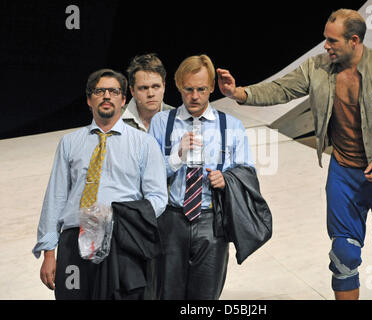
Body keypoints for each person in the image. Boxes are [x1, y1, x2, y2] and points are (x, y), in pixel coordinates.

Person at [217, 9, 372, 300]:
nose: (325, 46)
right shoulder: (317, 68)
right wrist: (238, 93)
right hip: (344, 171)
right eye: (325, 40)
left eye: (332, 41)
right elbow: (282, 89)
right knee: (343, 255)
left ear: (354, 40)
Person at [32, 69, 168, 299]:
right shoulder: (69, 143)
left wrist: (120, 215)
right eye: (99, 91)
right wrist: (48, 253)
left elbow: (158, 197)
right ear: (89, 99)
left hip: (123, 243)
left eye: (114, 91)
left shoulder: (144, 143)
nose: (106, 96)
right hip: (74, 243)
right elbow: (55, 198)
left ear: (124, 99)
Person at [150, 54, 255, 299]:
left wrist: (226, 179)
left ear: (211, 89)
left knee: (206, 296)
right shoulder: (161, 122)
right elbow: (148, 176)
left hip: (212, 220)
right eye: (188, 89)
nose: (195, 96)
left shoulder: (231, 125)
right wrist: (177, 156)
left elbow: (247, 172)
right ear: (178, 86)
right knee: (167, 293)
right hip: (171, 220)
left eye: (201, 89)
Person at [123, 53, 174, 132]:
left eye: (156, 86)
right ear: (132, 90)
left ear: (164, 87)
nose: (150, 94)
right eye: (144, 88)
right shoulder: (115, 119)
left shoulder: (178, 119)